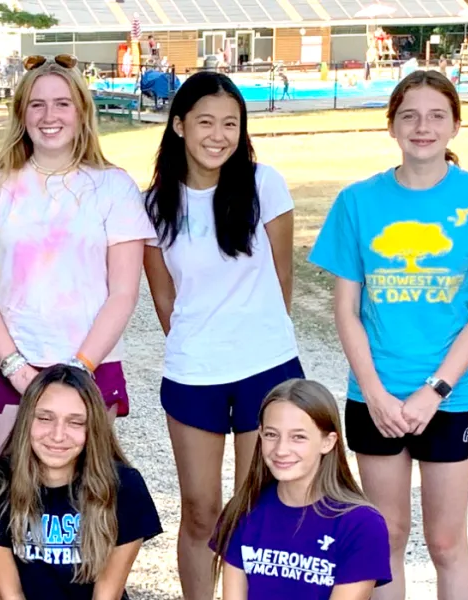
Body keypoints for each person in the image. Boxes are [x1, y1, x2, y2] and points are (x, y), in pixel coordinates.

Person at [307, 70, 468, 600]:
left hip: (449, 400)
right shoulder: (358, 202)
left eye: (435, 116)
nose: (422, 127)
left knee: (447, 542)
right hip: (376, 397)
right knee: (386, 539)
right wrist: (376, 394)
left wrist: (435, 391)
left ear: (454, 125)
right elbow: (347, 312)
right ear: (391, 126)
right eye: (409, 115)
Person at [140, 71, 302, 600]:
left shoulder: (265, 184)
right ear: (180, 125)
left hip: (267, 368)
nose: (218, 135)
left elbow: (282, 280)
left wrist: (249, 335)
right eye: (205, 121)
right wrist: (201, 344)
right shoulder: (154, 206)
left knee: (257, 507)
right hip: (194, 375)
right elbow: (165, 299)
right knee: (202, 509)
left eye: (231, 123)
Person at [0, 53, 151, 466]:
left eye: (62, 103)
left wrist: (77, 371)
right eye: (37, 104)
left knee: (83, 509)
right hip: (8, 367)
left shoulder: (115, 188)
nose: (50, 115)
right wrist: (15, 369)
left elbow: (124, 293)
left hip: (90, 372)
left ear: (81, 111)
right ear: (21, 113)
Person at [0, 365, 162, 600]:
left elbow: (107, 595)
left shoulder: (124, 487)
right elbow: (9, 594)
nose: (57, 435)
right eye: (44, 418)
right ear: (26, 420)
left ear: (92, 427)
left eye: (75, 422)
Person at [211, 379, 392, 599]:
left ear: (328, 442)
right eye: (271, 434)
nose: (281, 449)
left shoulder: (362, 524)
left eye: (298, 437)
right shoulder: (244, 509)